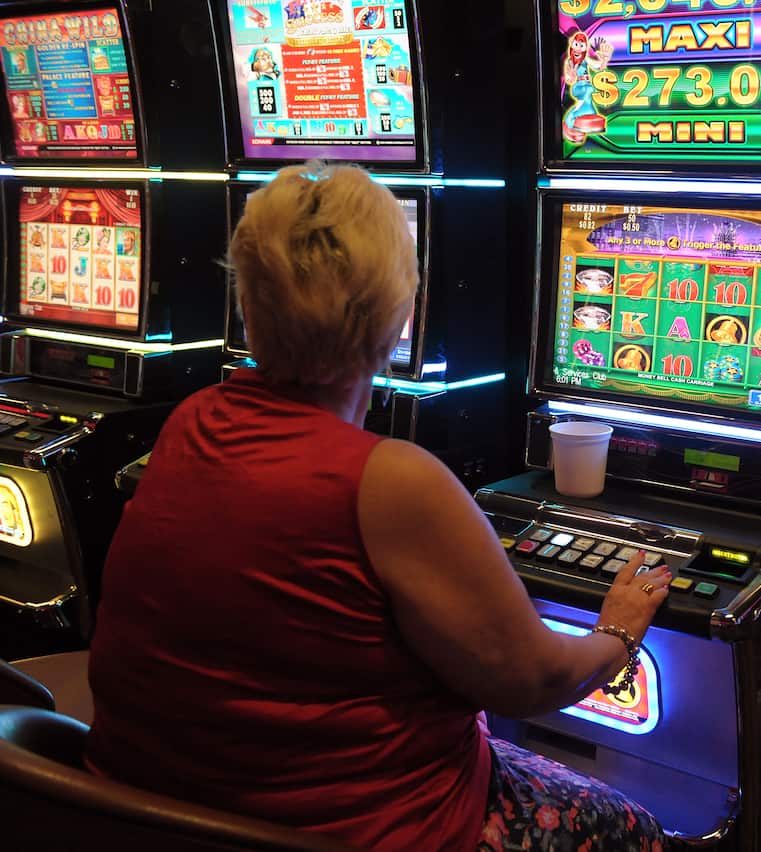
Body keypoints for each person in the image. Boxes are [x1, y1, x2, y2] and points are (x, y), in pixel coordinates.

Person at [85, 163, 671, 852]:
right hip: (342, 831)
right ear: (399, 315)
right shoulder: (389, 481)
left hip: (147, 811)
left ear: (249, 298)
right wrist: (619, 634)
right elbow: (531, 681)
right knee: (634, 825)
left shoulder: (191, 421)